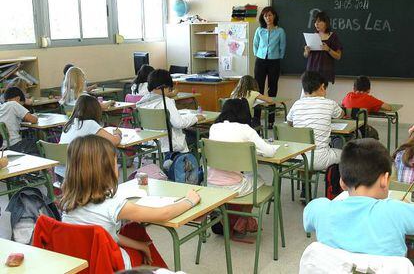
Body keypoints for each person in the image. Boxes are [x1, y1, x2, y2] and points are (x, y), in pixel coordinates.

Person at [61, 135, 201, 269]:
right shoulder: (113, 206)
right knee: (137, 233)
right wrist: (189, 201)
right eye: (116, 163)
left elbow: (105, 236)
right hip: (114, 266)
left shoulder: (67, 204)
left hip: (86, 265)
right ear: (105, 170)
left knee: (134, 228)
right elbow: (164, 213)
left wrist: (140, 245)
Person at [304, 138, 414, 256]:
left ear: (342, 182)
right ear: (385, 179)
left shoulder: (320, 209)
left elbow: (308, 221)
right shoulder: (397, 211)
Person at [208, 98, 278, 236]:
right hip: (233, 187)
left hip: (211, 185)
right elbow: (269, 152)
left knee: (247, 177)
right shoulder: (246, 129)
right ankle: (244, 218)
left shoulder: (214, 127)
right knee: (259, 179)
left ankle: (236, 218)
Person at [136, 69, 204, 153]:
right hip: (169, 144)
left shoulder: (141, 102)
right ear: (164, 86)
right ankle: (189, 164)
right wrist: (196, 118)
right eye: (169, 88)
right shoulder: (165, 102)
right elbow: (179, 123)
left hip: (150, 143)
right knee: (196, 136)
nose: (169, 90)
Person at [287, 71, 344, 171]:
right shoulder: (330, 103)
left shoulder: (297, 104)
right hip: (320, 159)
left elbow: (289, 123)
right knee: (345, 154)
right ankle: (336, 184)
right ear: (322, 87)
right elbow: (341, 114)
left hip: (297, 158)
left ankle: (305, 183)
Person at [253, 6, 286, 129]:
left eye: (270, 15)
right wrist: (259, 55)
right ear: (263, 17)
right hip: (260, 61)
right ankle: (256, 118)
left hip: (274, 62)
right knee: (258, 90)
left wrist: (276, 57)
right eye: (266, 15)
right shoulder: (259, 30)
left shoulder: (280, 31)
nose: (268, 18)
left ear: (274, 16)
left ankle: (271, 120)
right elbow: (255, 45)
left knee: (272, 90)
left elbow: (282, 46)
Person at [304, 11, 342, 85]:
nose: (316, 24)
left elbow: (338, 56)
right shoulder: (312, 36)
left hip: (324, 71)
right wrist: (307, 51)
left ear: (325, 23)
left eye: (319, 22)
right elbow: (305, 55)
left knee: (321, 93)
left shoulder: (333, 36)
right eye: (315, 22)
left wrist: (328, 49)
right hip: (311, 71)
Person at [0, 87, 38, 154]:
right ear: (18, 98)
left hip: (2, 147)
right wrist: (35, 115)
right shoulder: (13, 104)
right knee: (38, 144)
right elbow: (33, 120)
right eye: (22, 105)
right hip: (14, 145)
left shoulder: (2, 107)